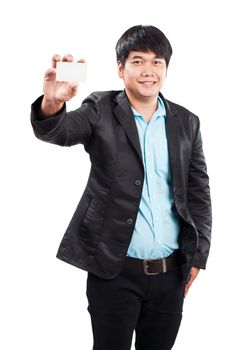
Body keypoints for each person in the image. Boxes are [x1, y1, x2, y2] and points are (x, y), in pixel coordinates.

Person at [31, 25, 212, 350]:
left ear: (166, 69)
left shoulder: (186, 122)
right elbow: (59, 133)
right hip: (113, 271)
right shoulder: (100, 109)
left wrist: (198, 256)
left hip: (171, 273)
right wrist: (52, 103)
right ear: (120, 68)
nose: (148, 71)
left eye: (157, 62)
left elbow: (198, 192)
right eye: (138, 61)